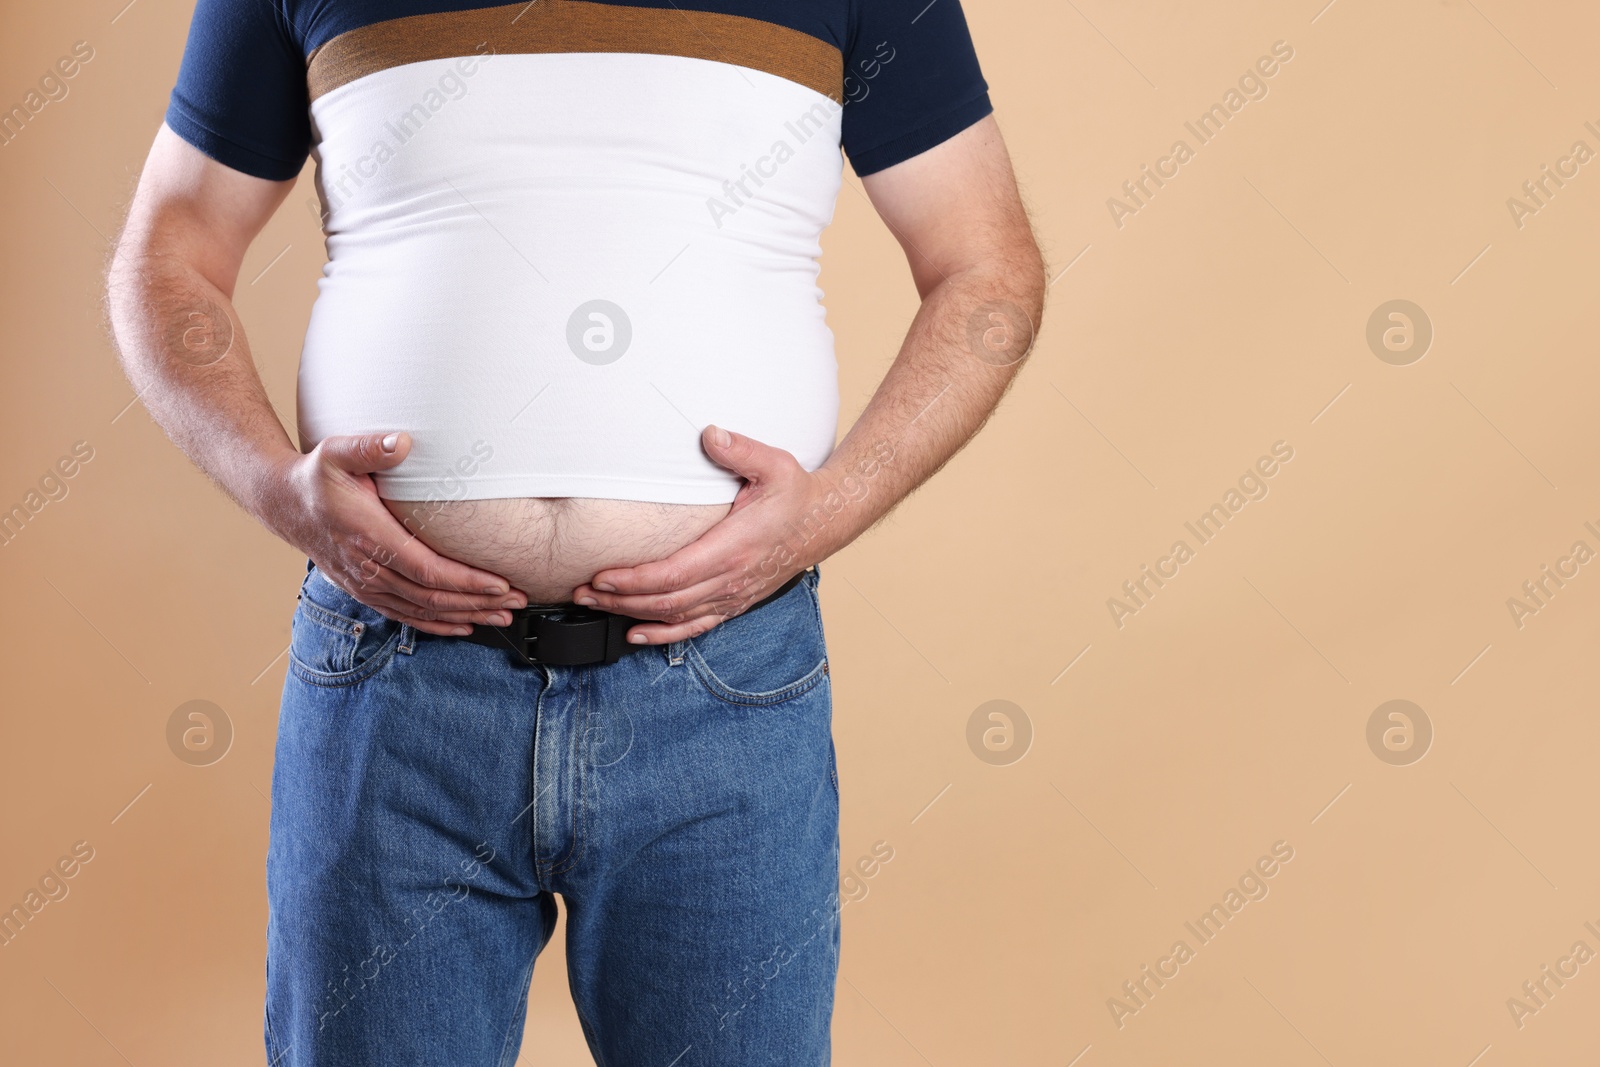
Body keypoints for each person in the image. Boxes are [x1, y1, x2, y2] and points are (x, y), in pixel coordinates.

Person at [107, 0, 1044, 1062]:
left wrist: (825, 512)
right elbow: (170, 251)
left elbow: (985, 268)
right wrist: (275, 486)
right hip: (395, 685)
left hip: (720, 689)